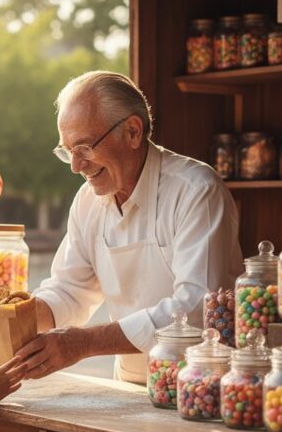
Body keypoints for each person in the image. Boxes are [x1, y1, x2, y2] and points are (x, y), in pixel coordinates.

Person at [12, 71, 243, 384]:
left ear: (133, 132)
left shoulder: (195, 190)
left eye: (84, 148)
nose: (75, 166)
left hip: (201, 385)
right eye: (67, 151)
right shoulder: (87, 202)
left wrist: (85, 343)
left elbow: (196, 310)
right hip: (129, 386)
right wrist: (15, 317)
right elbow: (70, 290)